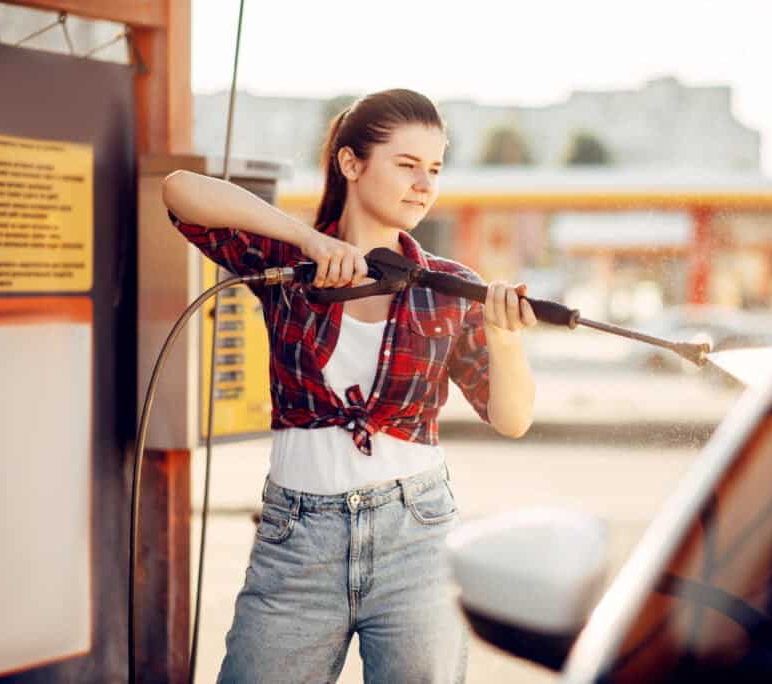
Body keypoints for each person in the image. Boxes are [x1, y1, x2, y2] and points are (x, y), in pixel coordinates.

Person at [161, 88, 537, 683]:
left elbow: (512, 418)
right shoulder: (289, 260)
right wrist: (309, 239)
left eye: (435, 169)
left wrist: (505, 338)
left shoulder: (450, 285)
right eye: (407, 165)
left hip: (418, 539)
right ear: (351, 163)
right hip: (295, 542)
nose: (424, 184)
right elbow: (179, 191)